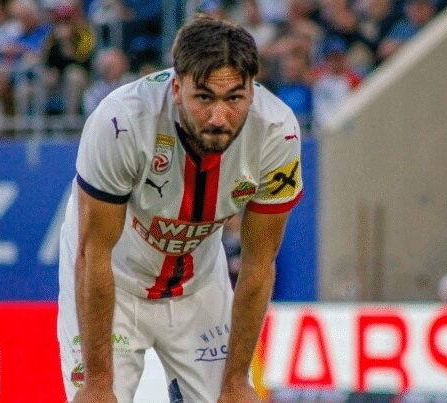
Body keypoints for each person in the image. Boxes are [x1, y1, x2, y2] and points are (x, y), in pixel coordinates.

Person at [57, 16, 303, 402]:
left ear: (252, 91)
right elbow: (94, 254)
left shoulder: (278, 132)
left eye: (234, 98)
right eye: (204, 97)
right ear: (176, 87)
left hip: (199, 284)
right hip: (113, 280)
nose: (219, 118)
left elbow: (259, 262)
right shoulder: (121, 121)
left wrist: (237, 381)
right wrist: (99, 383)